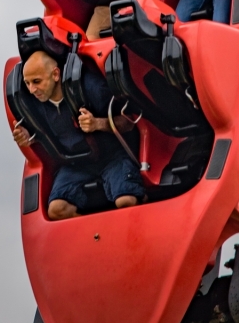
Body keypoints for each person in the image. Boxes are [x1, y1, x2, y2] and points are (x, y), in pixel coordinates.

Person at [13, 49, 144, 219]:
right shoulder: (34, 104)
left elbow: (129, 122)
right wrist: (27, 136)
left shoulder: (92, 88)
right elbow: (38, 135)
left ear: (55, 74)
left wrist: (98, 123)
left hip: (112, 157)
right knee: (56, 209)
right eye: (27, 83)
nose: (32, 89)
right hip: (76, 163)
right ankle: (97, 234)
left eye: (36, 81)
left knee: (126, 201)